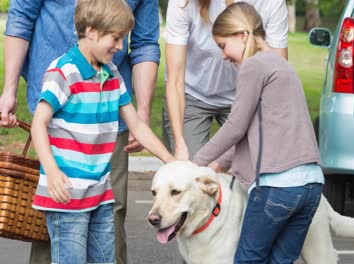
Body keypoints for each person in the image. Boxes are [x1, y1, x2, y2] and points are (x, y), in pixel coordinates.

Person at [0, 0, 160, 263]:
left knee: (110, 209)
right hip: (56, 111)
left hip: (109, 107)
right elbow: (21, 18)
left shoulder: (114, 75)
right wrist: (8, 89)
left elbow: (145, 43)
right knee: (54, 210)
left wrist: (140, 111)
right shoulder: (61, 72)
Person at [192, 2, 324, 263]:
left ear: (242, 36)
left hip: (277, 186)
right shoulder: (280, 65)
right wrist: (219, 163)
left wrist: (195, 163)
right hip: (311, 184)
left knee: (248, 260)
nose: (224, 56)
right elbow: (252, 130)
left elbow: (234, 127)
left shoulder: (254, 66)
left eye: (223, 46)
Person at [163, 0, 288, 163]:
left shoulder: (271, 3)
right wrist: (180, 143)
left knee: (249, 167)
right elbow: (175, 80)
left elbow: (276, 77)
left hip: (245, 96)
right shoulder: (184, 3)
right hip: (192, 94)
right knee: (192, 171)